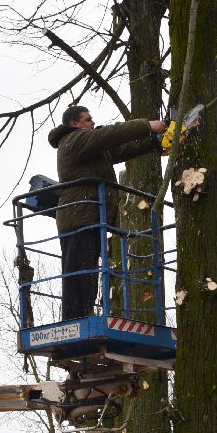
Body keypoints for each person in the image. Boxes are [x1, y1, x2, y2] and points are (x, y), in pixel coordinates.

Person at [45, 106, 169, 320]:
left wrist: (155, 142)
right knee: (79, 274)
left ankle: (83, 316)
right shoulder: (73, 141)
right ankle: (75, 320)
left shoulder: (90, 148)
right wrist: (148, 125)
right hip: (78, 217)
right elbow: (108, 135)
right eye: (87, 119)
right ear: (74, 124)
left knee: (89, 274)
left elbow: (122, 149)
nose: (92, 122)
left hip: (90, 216)